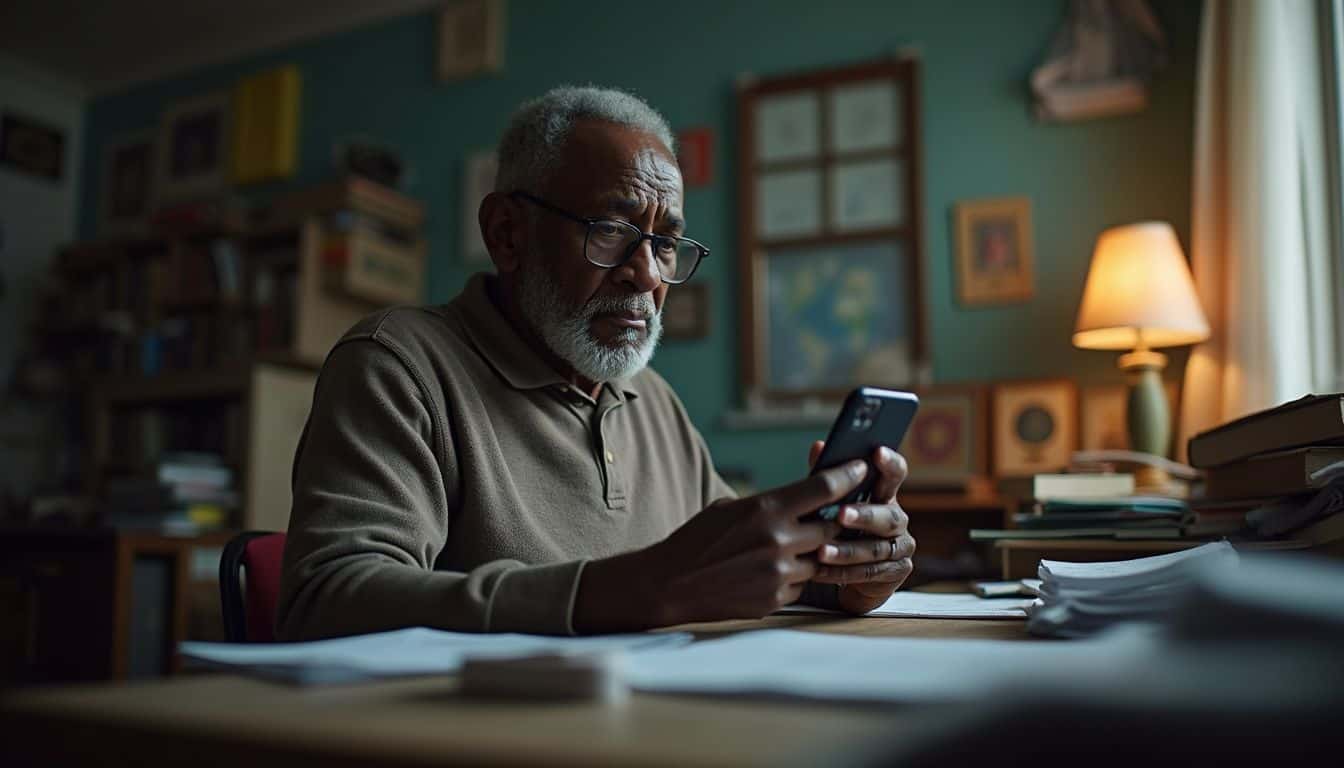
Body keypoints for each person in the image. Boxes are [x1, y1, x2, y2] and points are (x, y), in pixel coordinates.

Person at [276, 86, 915, 640]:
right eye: (611, 229)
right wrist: (631, 591)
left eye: (665, 243)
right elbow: (325, 601)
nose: (646, 274)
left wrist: (842, 574)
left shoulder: (653, 399)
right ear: (507, 233)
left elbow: (727, 571)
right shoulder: (398, 365)